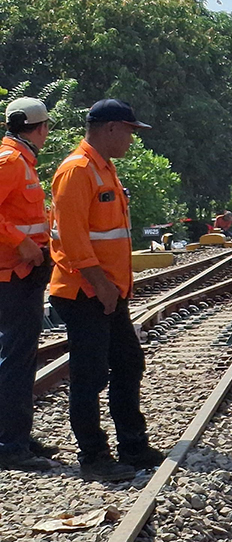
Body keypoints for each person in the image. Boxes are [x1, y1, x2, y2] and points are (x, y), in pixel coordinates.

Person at [49, 100, 164, 481]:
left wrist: (111, 287)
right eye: (130, 131)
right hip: (85, 292)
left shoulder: (103, 168)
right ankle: (94, 456)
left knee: (128, 362)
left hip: (108, 291)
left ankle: (132, 444)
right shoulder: (77, 170)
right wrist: (100, 284)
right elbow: (72, 238)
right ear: (111, 128)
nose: (132, 139)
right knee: (90, 374)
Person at [0, 98, 58, 471]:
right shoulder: (10, 162)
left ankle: (16, 434)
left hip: (22, 273)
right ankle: (9, 443)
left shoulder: (21, 162)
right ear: (41, 128)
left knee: (18, 357)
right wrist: (21, 242)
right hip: (12, 275)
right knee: (15, 358)